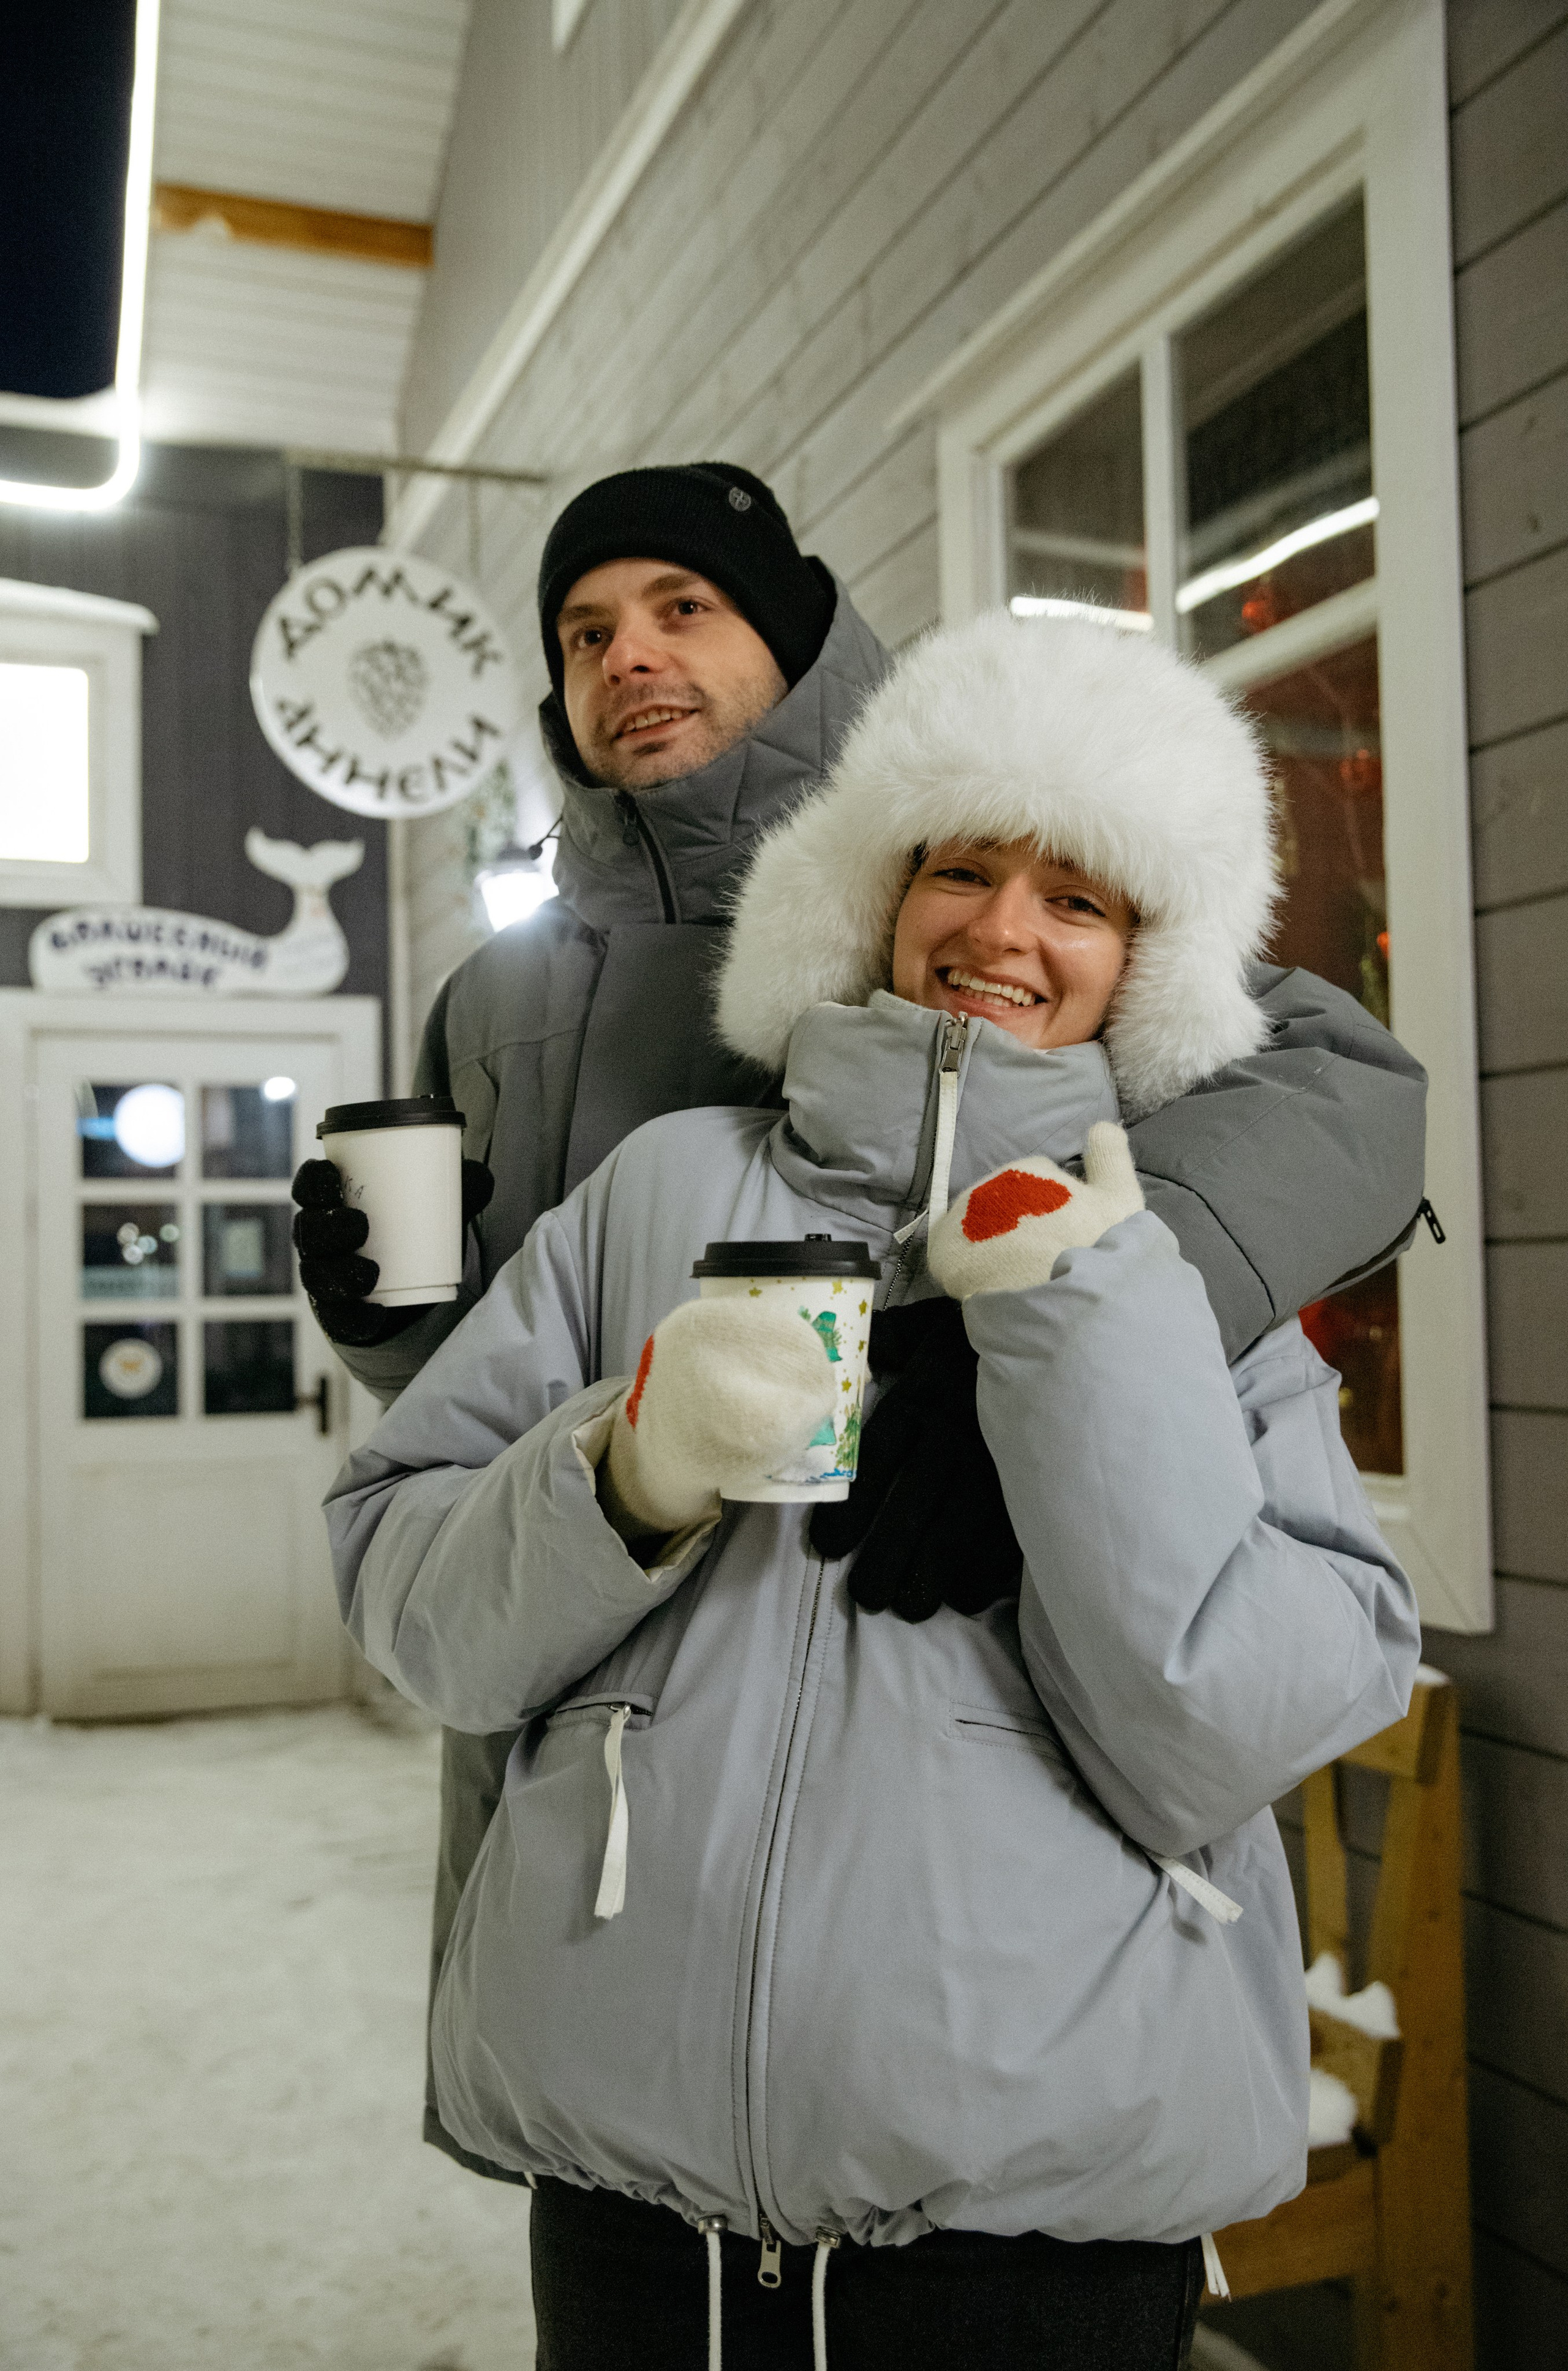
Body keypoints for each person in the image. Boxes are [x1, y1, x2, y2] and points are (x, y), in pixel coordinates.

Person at [297, 463, 1425, 2188]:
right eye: (588, 630)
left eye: (688, 608)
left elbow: (1331, 1092)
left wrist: (1048, 1356)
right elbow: (502, 1377)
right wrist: (390, 1321)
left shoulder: (989, 809)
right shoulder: (509, 981)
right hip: (630, 1751)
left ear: (801, 638)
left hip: (974, 1883)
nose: (632, 658)